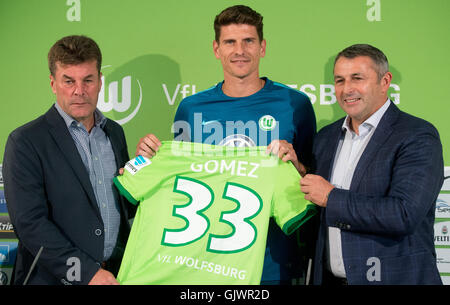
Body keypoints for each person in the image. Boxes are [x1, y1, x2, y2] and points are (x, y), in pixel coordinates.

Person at [136, 5, 317, 284]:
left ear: (262, 47)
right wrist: (144, 162)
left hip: (273, 264)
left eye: (248, 41)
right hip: (204, 263)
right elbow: (177, 181)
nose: (240, 50)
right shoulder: (191, 108)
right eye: (230, 42)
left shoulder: (295, 105)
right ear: (216, 48)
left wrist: (296, 165)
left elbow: (312, 180)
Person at [300, 44, 443, 285]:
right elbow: (315, 207)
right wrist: (299, 171)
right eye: (340, 80)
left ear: (385, 81)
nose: (347, 89)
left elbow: (404, 214)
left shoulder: (417, 135)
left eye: (357, 78)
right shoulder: (325, 137)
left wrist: (331, 198)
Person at [2, 35, 135, 285]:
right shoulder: (25, 141)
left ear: (100, 81)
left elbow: (125, 207)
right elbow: (30, 224)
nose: (79, 91)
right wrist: (86, 273)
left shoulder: (115, 133)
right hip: (53, 280)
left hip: (115, 277)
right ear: (53, 83)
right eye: (68, 81)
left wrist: (144, 170)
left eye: (88, 80)